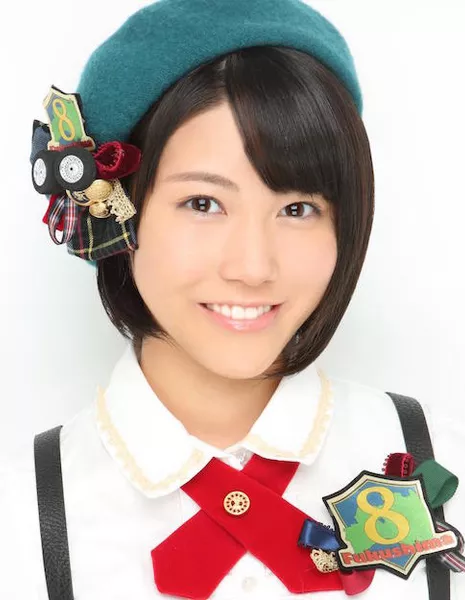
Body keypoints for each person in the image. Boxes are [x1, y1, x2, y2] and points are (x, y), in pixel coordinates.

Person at [2, 0, 463, 598]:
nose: (252, 267)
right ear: (117, 211)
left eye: (298, 208)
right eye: (203, 204)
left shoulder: (442, 457)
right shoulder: (20, 515)